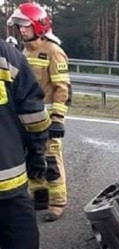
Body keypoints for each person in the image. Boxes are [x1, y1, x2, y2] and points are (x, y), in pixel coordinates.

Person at [8, 2, 71, 222]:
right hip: (27, 120)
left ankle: (57, 202)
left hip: (48, 119)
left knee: (51, 161)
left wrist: (57, 119)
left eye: (25, 26)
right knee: (33, 158)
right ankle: (40, 198)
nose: (22, 30)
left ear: (39, 25)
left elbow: (63, 88)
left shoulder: (54, 52)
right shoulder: (23, 52)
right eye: (20, 26)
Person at [0, 37, 50, 249]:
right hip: (6, 171)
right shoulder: (6, 55)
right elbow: (33, 113)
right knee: (17, 228)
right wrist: (37, 151)